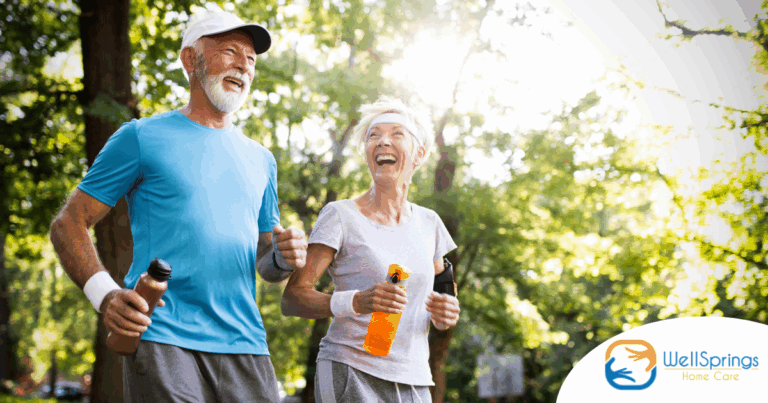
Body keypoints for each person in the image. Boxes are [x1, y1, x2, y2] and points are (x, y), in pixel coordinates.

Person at [49, 10, 307, 403]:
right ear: (190, 59)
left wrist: (284, 258)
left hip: (246, 343)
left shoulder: (262, 160)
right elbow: (68, 223)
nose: (243, 65)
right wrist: (106, 294)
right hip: (164, 337)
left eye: (251, 59)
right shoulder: (141, 137)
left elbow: (265, 260)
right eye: (230, 51)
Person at [281, 96, 461, 403]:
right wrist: (356, 301)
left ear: (419, 154)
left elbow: (444, 284)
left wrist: (447, 312)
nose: (382, 142)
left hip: (414, 379)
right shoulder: (340, 215)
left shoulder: (429, 223)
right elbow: (293, 299)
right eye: (373, 135)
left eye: (397, 134)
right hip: (351, 368)